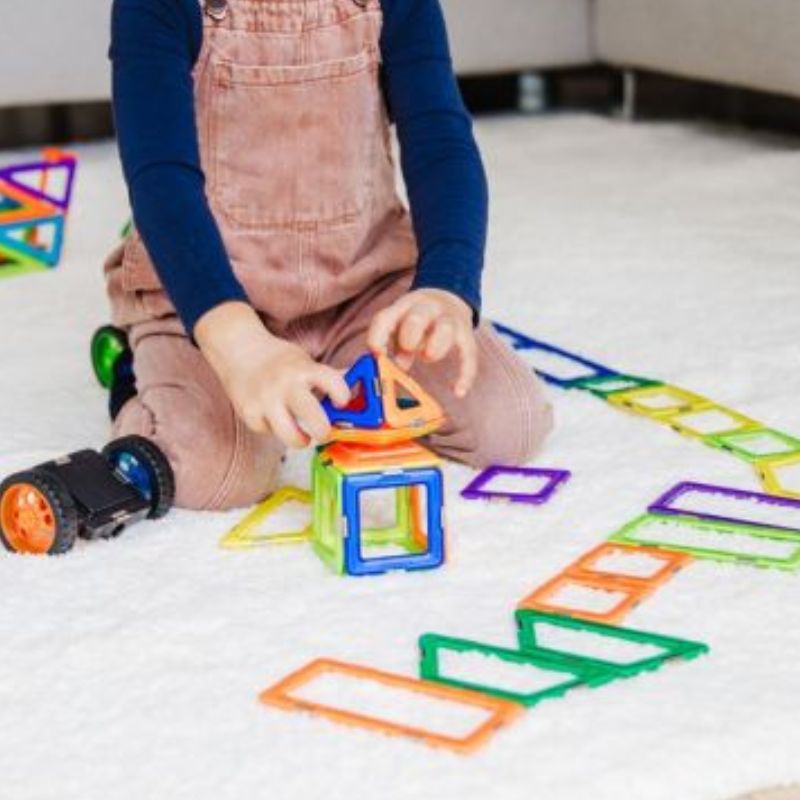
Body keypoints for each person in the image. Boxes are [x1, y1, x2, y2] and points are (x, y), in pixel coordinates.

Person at [105, 0, 553, 510]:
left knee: (509, 422)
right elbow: (160, 178)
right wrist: (238, 343)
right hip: (208, 302)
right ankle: (134, 374)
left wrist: (446, 287)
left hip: (363, 285)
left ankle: (324, 373)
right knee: (220, 473)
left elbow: (440, 140)